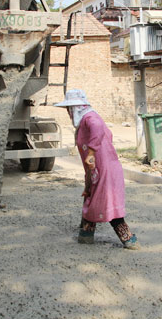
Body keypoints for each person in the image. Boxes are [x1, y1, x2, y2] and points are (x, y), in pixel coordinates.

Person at [54, 89, 139, 249]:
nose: (68, 112)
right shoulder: (85, 120)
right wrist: (87, 184)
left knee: (107, 202)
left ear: (75, 108)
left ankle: (128, 239)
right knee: (90, 198)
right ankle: (85, 235)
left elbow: (98, 128)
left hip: (105, 169)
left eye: (69, 109)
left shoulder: (90, 118)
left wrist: (91, 152)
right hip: (97, 170)